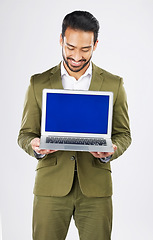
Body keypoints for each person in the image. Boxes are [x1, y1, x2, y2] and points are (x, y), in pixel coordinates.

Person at [18, 10, 131, 240]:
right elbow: (25, 133)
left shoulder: (113, 83)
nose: (77, 56)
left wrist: (111, 150)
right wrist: (35, 145)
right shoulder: (38, 83)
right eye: (70, 47)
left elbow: (123, 134)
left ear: (95, 44)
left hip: (96, 189)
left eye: (85, 49)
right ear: (61, 40)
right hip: (50, 187)